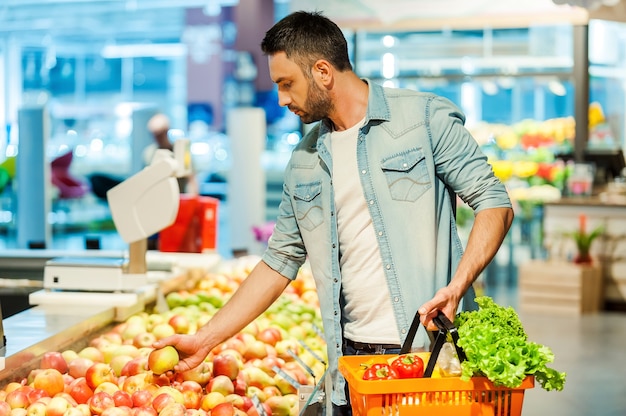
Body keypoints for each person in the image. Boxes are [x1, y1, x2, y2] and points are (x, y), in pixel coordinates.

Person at [154, 10, 513, 415]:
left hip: (427, 359)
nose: (281, 99)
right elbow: (279, 261)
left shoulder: (423, 119)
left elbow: (493, 202)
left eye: (286, 83)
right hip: (351, 367)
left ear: (323, 71)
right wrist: (205, 339)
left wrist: (458, 285)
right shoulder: (305, 158)